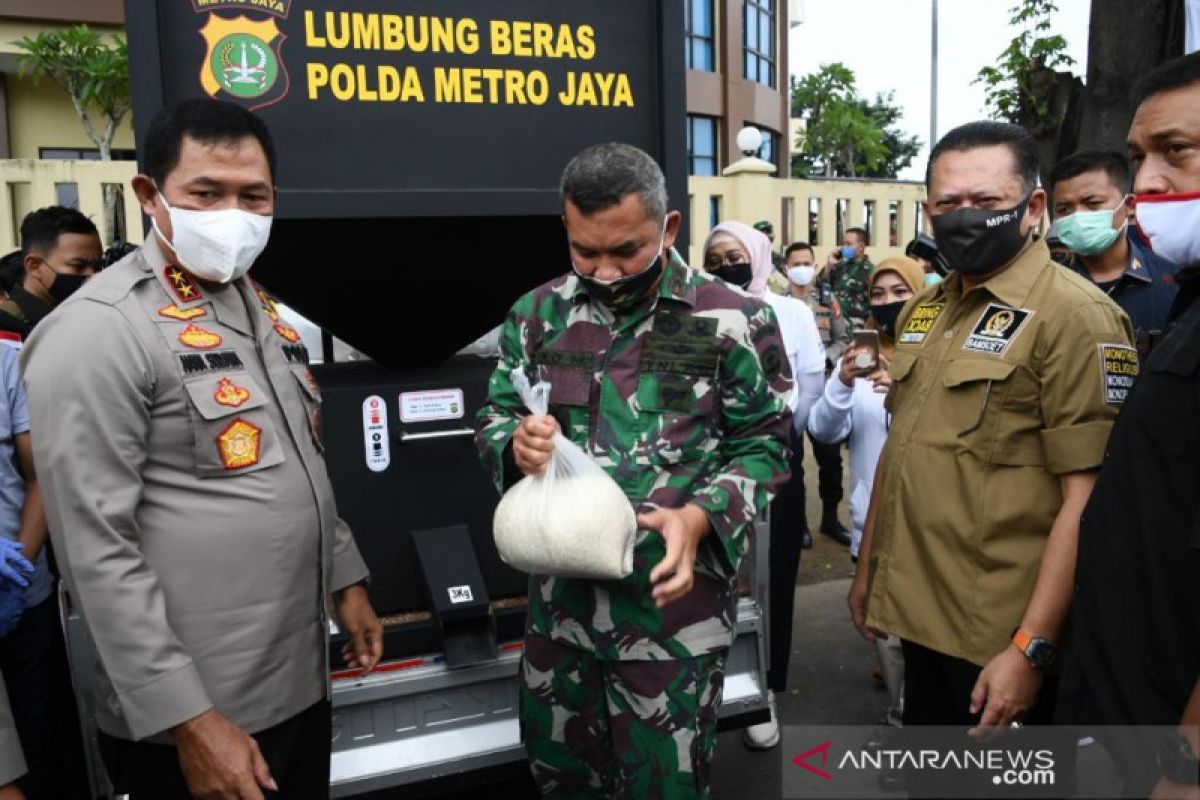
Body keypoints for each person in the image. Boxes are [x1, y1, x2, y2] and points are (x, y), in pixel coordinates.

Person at [21, 98, 382, 799]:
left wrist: (346, 578)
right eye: (206, 193)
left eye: (253, 196)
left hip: (296, 681)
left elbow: (297, 460)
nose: (233, 214)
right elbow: (98, 551)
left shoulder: (256, 308)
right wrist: (189, 719)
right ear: (151, 196)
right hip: (199, 717)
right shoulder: (99, 331)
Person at [475, 142, 792, 797]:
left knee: (662, 788)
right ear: (566, 227)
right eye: (586, 251)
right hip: (560, 622)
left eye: (627, 250)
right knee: (562, 779)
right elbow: (495, 415)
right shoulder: (537, 316)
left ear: (668, 228)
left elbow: (767, 443)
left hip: (670, 623)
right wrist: (516, 446)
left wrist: (701, 516)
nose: (606, 270)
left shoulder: (731, 319)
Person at [848, 121, 1133, 757]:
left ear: (1033, 208)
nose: (964, 218)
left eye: (987, 203)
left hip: (999, 639)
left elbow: (1087, 501)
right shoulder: (929, 308)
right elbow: (903, 447)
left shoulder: (1077, 317)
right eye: (948, 205)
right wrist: (870, 573)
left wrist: (1030, 649)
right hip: (922, 622)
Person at [1059, 51, 1200, 799]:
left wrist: (1187, 762)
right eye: (1141, 156)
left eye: (1177, 152)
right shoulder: (1191, 302)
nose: (1147, 183)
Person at [701, 221, 824, 751]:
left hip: (774, 459)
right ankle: (710, 685)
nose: (727, 265)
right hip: (706, 464)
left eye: (736, 255)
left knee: (771, 578)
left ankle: (765, 689)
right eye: (716, 257)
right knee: (714, 575)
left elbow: (810, 390)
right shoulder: (693, 311)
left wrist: (770, 440)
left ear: (757, 256)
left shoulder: (789, 312)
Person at [809, 256, 922, 791]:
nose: (887, 302)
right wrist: (842, 379)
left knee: (927, 634)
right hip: (872, 522)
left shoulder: (933, 356)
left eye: (899, 290)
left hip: (931, 523)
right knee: (887, 636)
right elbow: (825, 431)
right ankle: (901, 718)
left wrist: (901, 389)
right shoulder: (857, 362)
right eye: (878, 295)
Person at [1049, 150, 1179, 356]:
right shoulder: (1045, 282)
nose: (1078, 216)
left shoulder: (1173, 281)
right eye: (1064, 209)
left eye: (1092, 204)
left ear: (1129, 206)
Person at [784, 242, 851, 549]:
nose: (802, 267)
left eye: (807, 262)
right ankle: (798, 524)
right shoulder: (778, 305)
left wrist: (825, 359)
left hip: (823, 391)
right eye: (796, 262)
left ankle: (830, 518)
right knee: (792, 463)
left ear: (813, 265)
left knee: (830, 460)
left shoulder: (828, 300)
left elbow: (842, 338)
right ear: (786, 268)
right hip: (793, 395)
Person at [0, 207, 100, 337]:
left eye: (98, 266)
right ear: (34, 266)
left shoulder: (77, 317)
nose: (93, 276)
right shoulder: (8, 330)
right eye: (78, 266)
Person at [823, 226, 874, 333]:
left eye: (849, 244)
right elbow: (821, 287)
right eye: (843, 244)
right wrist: (828, 266)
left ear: (861, 246)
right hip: (833, 328)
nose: (844, 247)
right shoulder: (838, 265)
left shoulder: (871, 271)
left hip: (855, 330)